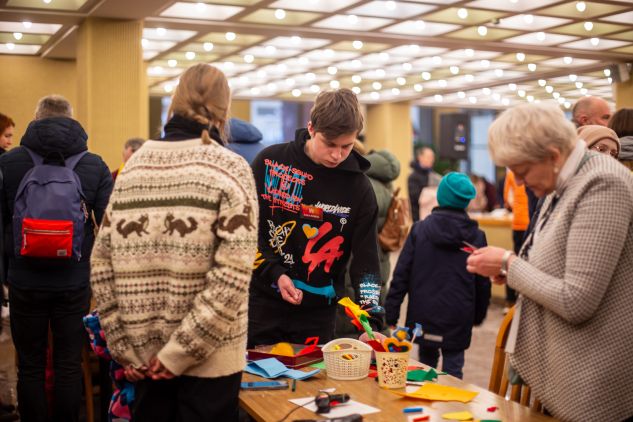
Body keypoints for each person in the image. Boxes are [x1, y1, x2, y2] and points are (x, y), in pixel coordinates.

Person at [91, 64, 258, 422]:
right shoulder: (230, 169)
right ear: (224, 110)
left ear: (174, 103)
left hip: (143, 359)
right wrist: (180, 352)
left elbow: (101, 265)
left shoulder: (133, 168)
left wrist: (124, 348)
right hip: (209, 362)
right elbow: (233, 275)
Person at [466, 102, 633, 422]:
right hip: (564, 373)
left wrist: (509, 265)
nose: (518, 181)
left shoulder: (603, 183)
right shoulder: (563, 181)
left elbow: (577, 300)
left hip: (592, 388)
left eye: (522, 171)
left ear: (553, 155)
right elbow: (549, 258)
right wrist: (515, 268)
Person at [0, 95, 113, 422]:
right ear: (71, 120)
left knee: (30, 366)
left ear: (36, 119)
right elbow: (110, 226)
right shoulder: (94, 165)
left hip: (24, 280)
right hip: (74, 281)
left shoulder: (10, 163)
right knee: (67, 364)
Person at [248, 88, 382, 348]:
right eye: (329, 144)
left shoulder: (359, 187)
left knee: (313, 385)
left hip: (317, 314)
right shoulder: (270, 163)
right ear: (311, 128)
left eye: (347, 146)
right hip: (262, 302)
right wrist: (275, 272)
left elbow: (367, 261)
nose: (337, 155)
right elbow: (247, 233)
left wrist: (372, 320)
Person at [385, 172, 490, 379]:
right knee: (453, 371)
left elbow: (401, 275)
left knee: (425, 369)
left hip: (424, 314)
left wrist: (391, 313)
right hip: (458, 316)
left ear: (440, 197)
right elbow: (482, 281)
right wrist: (478, 315)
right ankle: (451, 408)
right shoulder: (476, 236)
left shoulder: (419, 230)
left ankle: (427, 406)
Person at [335, 140, 400, 338]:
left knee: (351, 300)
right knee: (375, 294)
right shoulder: (385, 184)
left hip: (356, 253)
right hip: (380, 254)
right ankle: (377, 334)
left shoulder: (358, 185)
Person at [408, 146, 441, 222]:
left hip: (433, 217)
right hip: (419, 219)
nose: (432, 160)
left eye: (433, 157)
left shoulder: (433, 176)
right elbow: (417, 198)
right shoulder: (413, 177)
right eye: (429, 157)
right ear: (420, 157)